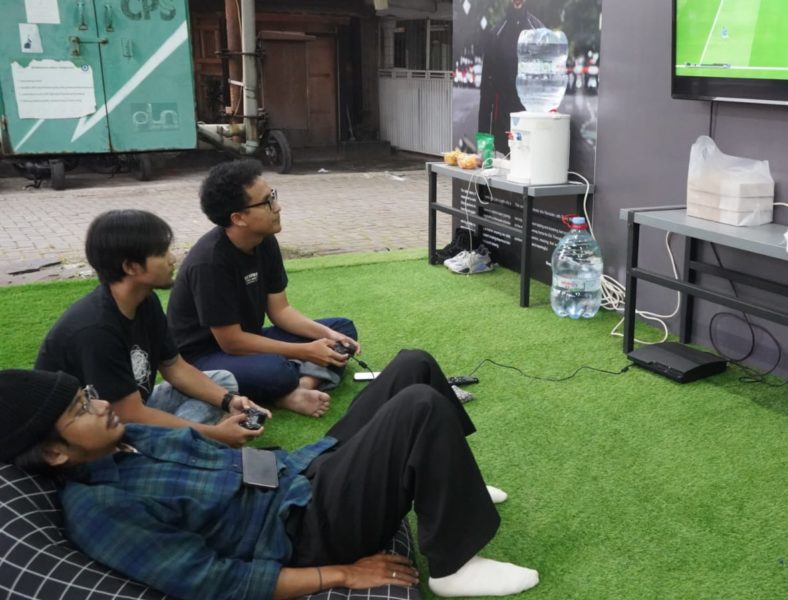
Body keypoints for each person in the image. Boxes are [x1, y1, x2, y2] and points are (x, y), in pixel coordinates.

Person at [1, 350, 539, 599]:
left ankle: (451, 487)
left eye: (87, 396)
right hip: (304, 530)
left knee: (411, 365)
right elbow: (216, 582)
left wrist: (227, 427)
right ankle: (452, 566)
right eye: (80, 410)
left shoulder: (125, 438)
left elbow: (200, 450)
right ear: (54, 453)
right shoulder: (101, 510)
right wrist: (340, 575)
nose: (100, 406)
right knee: (418, 406)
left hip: (295, 473)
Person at [35, 209, 268, 448]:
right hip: (90, 432)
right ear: (131, 267)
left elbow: (175, 368)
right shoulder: (96, 330)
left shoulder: (145, 301)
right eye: (162, 252)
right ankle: (182, 444)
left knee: (223, 381)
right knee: (134, 433)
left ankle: (179, 442)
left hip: (133, 405)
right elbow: (129, 416)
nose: (172, 259)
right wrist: (215, 434)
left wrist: (229, 401)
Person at [167, 160, 357, 418]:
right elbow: (231, 342)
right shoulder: (209, 262)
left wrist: (327, 335)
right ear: (238, 218)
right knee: (276, 371)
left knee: (342, 330)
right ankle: (292, 384)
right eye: (267, 202)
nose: (277, 207)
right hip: (205, 356)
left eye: (273, 196)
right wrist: (305, 351)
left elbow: (281, 311)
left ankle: (300, 388)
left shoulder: (264, 240)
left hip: (249, 338)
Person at [478, 0, 546, 153]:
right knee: (503, 164)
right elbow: (486, 92)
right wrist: (483, 149)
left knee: (528, 163)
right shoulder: (496, 33)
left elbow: (546, 84)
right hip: (503, 121)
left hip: (530, 121)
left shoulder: (539, 31)